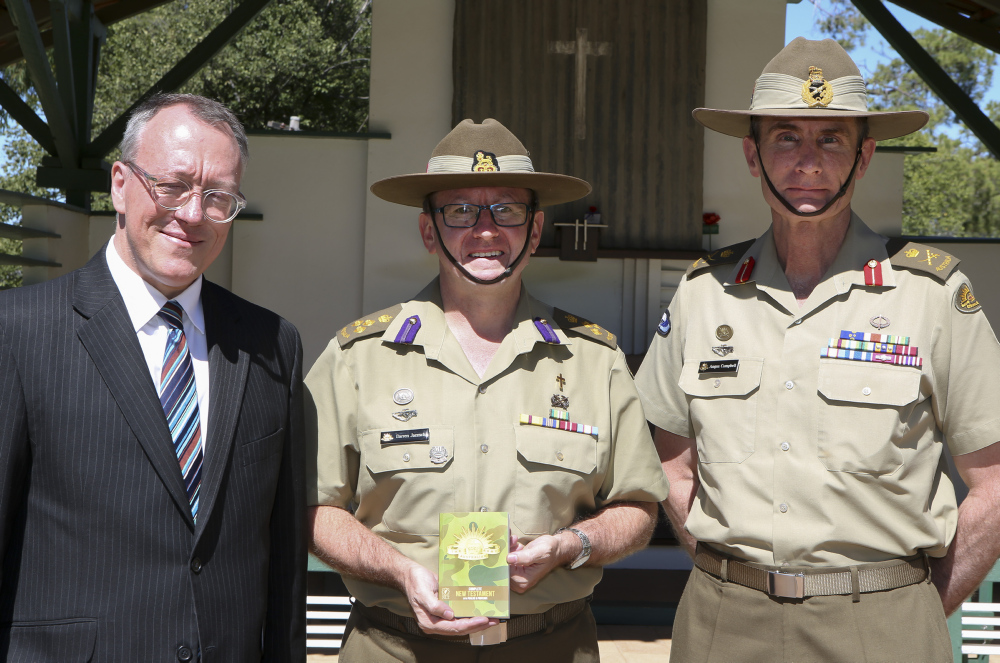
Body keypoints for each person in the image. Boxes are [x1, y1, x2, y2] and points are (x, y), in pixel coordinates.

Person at [635, 37, 1000, 662]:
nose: (808, 161)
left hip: (881, 623)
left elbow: (994, 480)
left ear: (863, 158)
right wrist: (735, 581)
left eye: (831, 138)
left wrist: (913, 606)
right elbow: (671, 466)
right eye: (786, 137)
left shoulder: (931, 295)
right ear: (753, 155)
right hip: (725, 626)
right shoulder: (704, 294)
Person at [307, 118, 669, 661]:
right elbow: (314, 509)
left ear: (535, 229)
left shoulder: (595, 360)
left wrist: (572, 546)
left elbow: (638, 508)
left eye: (507, 209)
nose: (485, 230)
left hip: (552, 646)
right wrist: (399, 570)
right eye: (459, 211)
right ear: (429, 231)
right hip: (395, 647)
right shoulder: (357, 359)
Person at [0, 93, 305, 661]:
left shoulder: (271, 345)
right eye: (172, 185)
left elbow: (284, 564)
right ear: (120, 183)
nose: (192, 214)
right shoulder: (18, 333)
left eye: (217, 198)